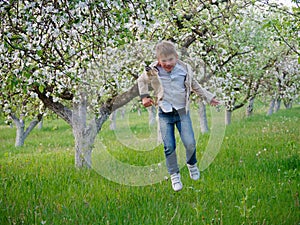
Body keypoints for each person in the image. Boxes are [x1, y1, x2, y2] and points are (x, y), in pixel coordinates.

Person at [137, 40, 219, 191]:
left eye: (171, 59)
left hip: (182, 111)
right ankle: (174, 175)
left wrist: (209, 97)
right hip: (164, 113)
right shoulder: (152, 70)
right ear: (158, 60)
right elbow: (141, 81)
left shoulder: (184, 69)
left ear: (176, 56)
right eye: (164, 61)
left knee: (190, 142)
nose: (168, 63)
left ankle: (191, 164)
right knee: (169, 146)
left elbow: (195, 86)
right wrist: (144, 97)